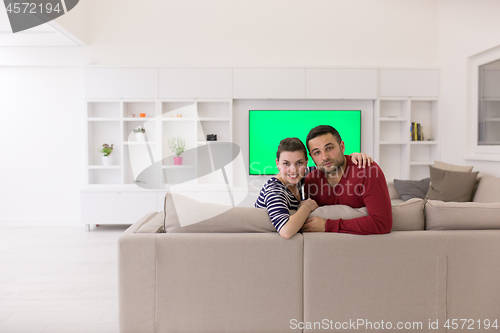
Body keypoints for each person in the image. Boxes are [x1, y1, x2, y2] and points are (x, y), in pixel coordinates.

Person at [255, 137, 373, 239]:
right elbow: (286, 231)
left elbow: (331, 166)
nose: (293, 170)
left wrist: (352, 157)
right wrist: (307, 206)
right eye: (286, 163)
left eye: (299, 162)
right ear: (277, 164)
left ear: (306, 162)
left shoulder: (302, 175)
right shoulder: (275, 189)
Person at [302, 125, 392, 235]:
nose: (324, 157)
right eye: (317, 152)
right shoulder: (311, 180)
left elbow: (382, 223)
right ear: (311, 157)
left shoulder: (367, 170)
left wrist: (328, 225)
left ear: (342, 146)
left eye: (329, 148)